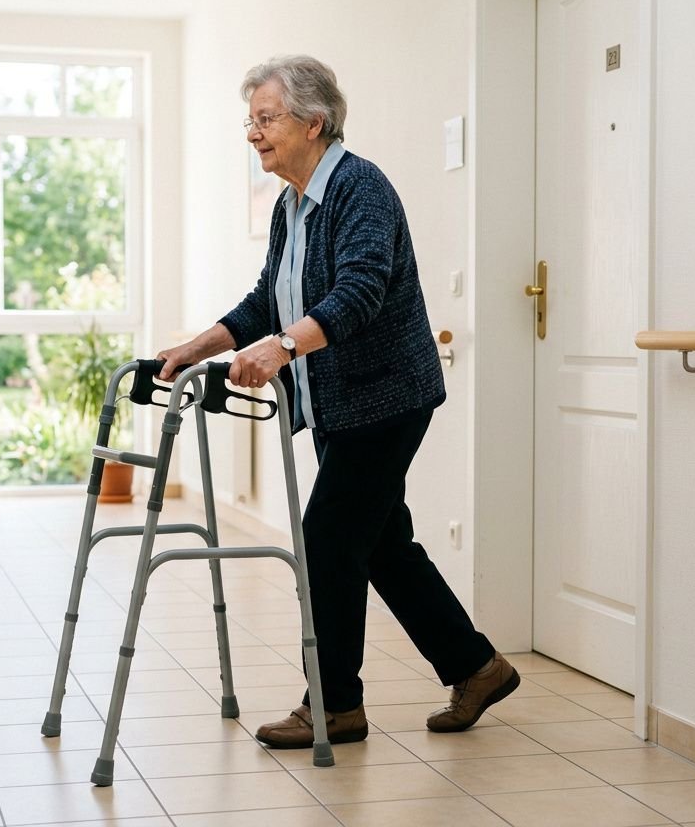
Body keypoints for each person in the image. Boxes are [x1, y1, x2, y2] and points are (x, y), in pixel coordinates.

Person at [157, 55, 518, 749]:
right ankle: (478, 667)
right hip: (338, 401)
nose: (253, 133)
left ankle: (335, 704)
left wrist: (284, 349)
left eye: (265, 119)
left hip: (387, 395)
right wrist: (199, 346)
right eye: (251, 121)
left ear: (312, 121)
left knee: (328, 540)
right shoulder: (292, 204)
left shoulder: (360, 188)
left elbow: (361, 289)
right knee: (382, 544)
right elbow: (269, 295)